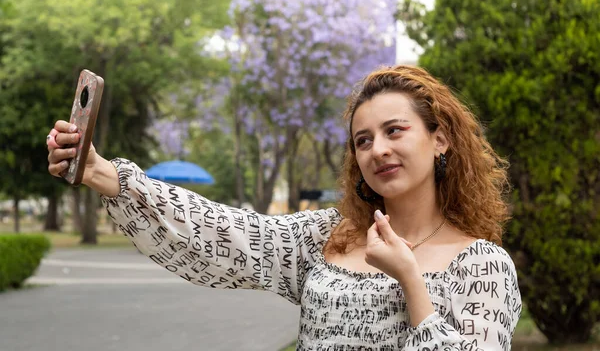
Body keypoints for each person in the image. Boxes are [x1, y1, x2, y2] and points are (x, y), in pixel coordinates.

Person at [47, 65, 522, 350]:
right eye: (363, 140)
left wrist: (410, 280)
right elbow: (222, 233)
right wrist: (101, 173)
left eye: (394, 130)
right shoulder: (326, 237)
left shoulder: (482, 266)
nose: (377, 149)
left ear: (440, 139)